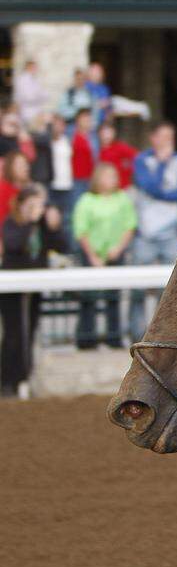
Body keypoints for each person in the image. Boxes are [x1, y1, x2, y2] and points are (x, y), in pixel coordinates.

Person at [0, 185, 65, 397]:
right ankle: (9, 379)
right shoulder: (12, 223)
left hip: (34, 285)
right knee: (13, 333)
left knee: (29, 331)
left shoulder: (43, 226)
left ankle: (24, 377)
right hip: (13, 285)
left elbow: (62, 245)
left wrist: (53, 227)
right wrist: (29, 222)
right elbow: (14, 245)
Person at [129, 122, 177, 342]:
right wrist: (163, 165)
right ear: (153, 138)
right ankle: (135, 332)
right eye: (164, 137)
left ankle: (168, 333)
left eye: (171, 137)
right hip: (146, 232)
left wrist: (163, 193)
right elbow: (149, 186)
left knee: (176, 283)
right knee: (137, 286)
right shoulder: (142, 160)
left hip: (170, 232)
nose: (168, 142)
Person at [73, 163, 135, 349]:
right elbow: (81, 229)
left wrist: (119, 248)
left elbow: (129, 225)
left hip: (115, 253)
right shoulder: (86, 200)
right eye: (108, 176)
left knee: (113, 298)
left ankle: (114, 337)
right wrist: (92, 256)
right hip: (91, 255)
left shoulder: (122, 199)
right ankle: (86, 338)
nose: (113, 180)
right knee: (88, 298)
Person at [97, 123, 137, 189]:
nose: (107, 136)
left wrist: (128, 167)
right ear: (99, 134)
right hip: (103, 188)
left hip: (123, 187)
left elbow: (138, 158)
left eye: (109, 132)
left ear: (114, 133)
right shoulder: (95, 150)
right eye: (104, 133)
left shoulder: (120, 147)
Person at [70, 109, 97, 204]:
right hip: (75, 179)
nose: (87, 121)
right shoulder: (70, 134)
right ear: (77, 120)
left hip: (90, 178)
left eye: (89, 119)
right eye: (84, 119)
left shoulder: (94, 137)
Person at [0, 151, 34, 227]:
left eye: (26, 164)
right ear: (10, 167)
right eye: (21, 164)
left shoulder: (27, 189)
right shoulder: (3, 190)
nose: (26, 168)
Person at [14, 60, 48, 127]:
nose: (36, 70)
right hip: (27, 112)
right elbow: (29, 97)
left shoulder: (34, 79)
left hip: (36, 112)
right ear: (28, 67)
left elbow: (45, 95)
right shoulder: (22, 79)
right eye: (34, 67)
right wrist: (39, 96)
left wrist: (39, 96)